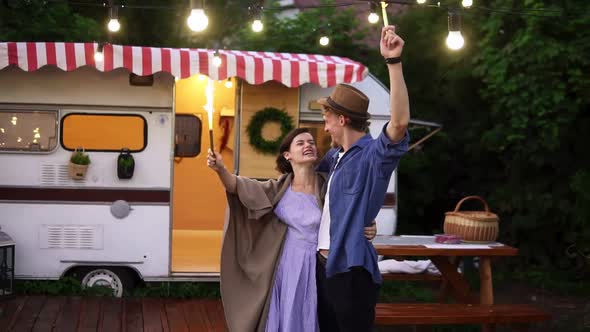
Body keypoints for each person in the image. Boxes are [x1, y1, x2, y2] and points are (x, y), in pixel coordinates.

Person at [207, 128, 377, 332]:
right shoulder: (278, 189)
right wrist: (220, 169)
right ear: (288, 155)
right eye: (301, 143)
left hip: (321, 268)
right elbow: (237, 186)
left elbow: (351, 207)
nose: (308, 145)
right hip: (287, 268)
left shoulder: (329, 184)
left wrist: (368, 224)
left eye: (311, 142)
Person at [315, 25, 411, 332]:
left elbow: (398, 124)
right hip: (324, 269)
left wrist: (393, 63)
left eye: (327, 119)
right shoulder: (334, 157)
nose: (325, 126)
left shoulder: (372, 156)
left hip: (351, 271)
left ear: (341, 119)